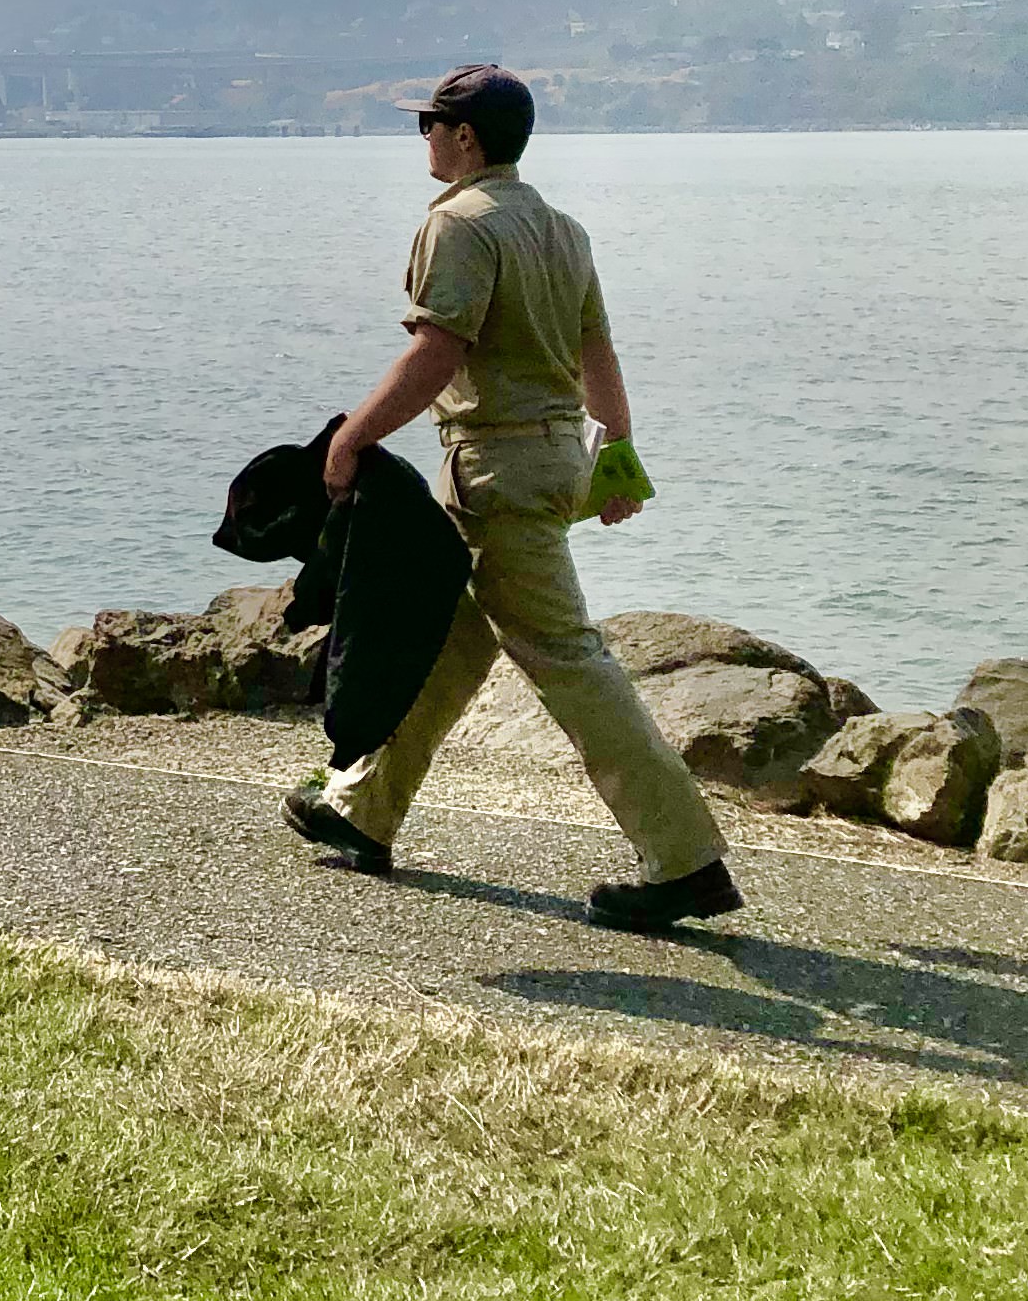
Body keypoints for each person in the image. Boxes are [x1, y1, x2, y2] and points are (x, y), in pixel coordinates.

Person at [281, 63, 742, 933]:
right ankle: (362, 807)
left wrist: (350, 440)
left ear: (465, 137)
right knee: (448, 639)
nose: (421, 136)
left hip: (495, 469)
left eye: (429, 122)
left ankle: (686, 861)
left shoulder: (460, 226)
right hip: (552, 458)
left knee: (570, 661)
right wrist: (617, 454)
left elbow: (436, 355)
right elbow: (594, 351)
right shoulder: (559, 227)